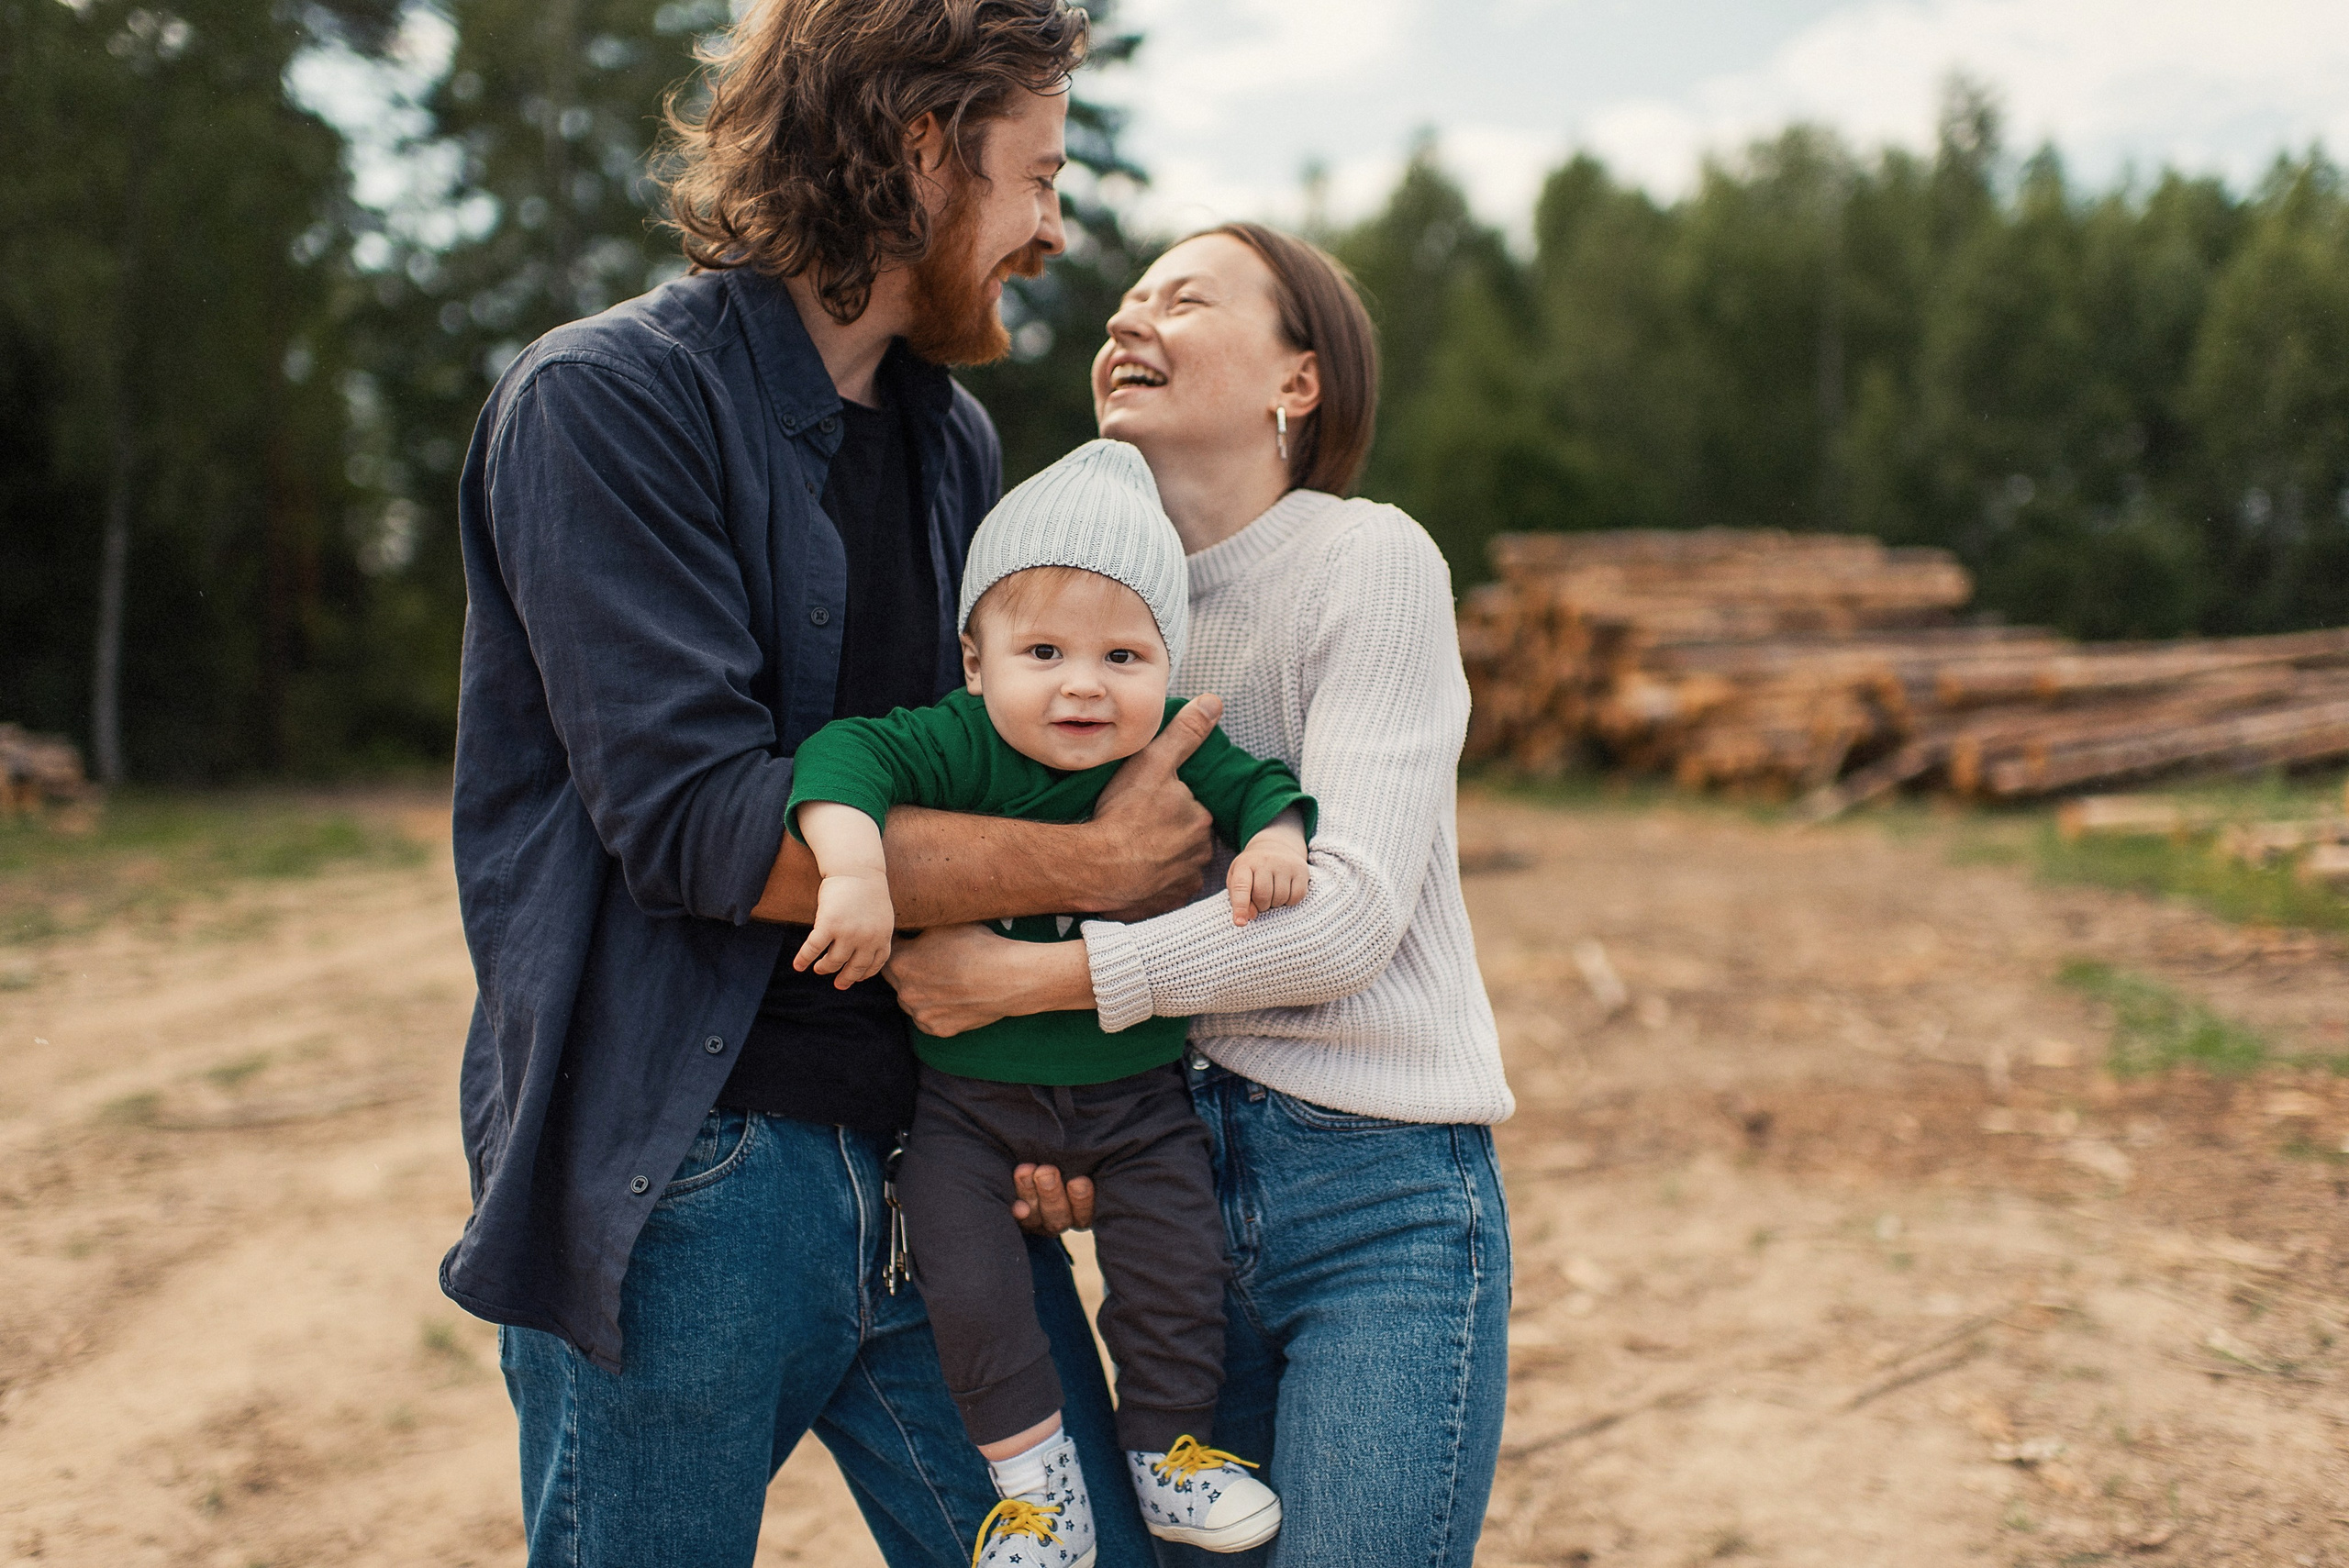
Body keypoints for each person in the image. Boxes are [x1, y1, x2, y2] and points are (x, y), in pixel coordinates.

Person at [439, 3, 1200, 1563]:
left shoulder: (954, 446)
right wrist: (1095, 868)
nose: (1055, 231)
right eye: (1036, 176)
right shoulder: (601, 406)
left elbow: (981, 775)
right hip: (695, 1176)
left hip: (943, 1174)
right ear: (924, 146)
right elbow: (711, 823)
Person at [884, 222, 1517, 1568]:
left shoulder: (1371, 558)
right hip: (1165, 1181)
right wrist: (1061, 1111)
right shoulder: (1070, 630)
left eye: (1185, 297)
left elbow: (1347, 913)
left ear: (1300, 383)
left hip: (1377, 1196)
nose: (1130, 316)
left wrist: (1039, 981)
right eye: (1127, 299)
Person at [789, 439, 1307, 1566]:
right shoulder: (951, 741)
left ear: (1165, 661)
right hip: (970, 1117)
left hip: (1136, 1105)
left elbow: (1265, 785)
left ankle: (1170, 1451)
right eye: (1042, 650)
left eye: (1123, 653)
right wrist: (857, 868)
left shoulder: (1173, 755)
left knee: (1179, 1272)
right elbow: (835, 760)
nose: (1083, 683)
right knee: (967, 1290)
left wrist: (1271, 836)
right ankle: (1032, 1489)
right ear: (973, 661)